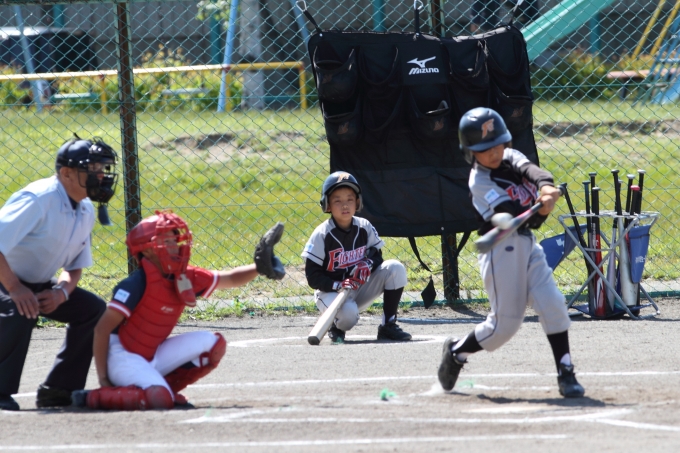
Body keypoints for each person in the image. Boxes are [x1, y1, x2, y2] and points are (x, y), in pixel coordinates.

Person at [437, 108, 585, 398]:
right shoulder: (479, 182)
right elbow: (512, 213)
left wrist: (545, 187)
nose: (494, 153)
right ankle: (456, 352)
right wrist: (542, 210)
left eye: (497, 144)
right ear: (470, 152)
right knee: (504, 327)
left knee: (553, 304)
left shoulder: (510, 156)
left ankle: (565, 371)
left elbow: (534, 172)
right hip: (500, 253)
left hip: (527, 244)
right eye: (484, 149)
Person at [75, 211, 285, 410]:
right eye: (166, 242)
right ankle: (94, 397)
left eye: (175, 240)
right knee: (158, 399)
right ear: (147, 250)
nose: (175, 246)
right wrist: (104, 378)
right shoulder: (136, 284)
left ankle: (162, 389)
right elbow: (102, 329)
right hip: (123, 357)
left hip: (152, 354)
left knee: (213, 344)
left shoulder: (184, 276)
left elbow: (229, 278)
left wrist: (259, 268)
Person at [0, 136, 118, 411]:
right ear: (66, 173)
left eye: (102, 169)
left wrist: (61, 293)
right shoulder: (38, 199)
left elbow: (75, 266)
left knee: (93, 309)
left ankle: (58, 389)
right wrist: (15, 288)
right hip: (5, 279)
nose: (101, 176)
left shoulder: (85, 208)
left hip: (33, 282)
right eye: (92, 169)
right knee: (22, 308)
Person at [301, 171, 411, 344]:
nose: (345, 205)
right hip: (330, 292)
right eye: (337, 200)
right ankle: (336, 325)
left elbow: (377, 255)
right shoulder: (322, 234)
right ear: (327, 204)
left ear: (357, 202)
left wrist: (368, 264)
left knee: (395, 268)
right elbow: (313, 277)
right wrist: (337, 285)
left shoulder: (364, 226)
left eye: (350, 199)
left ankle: (388, 325)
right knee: (348, 317)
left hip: (358, 288)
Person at [470, 0, 540, 33]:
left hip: (518, 22)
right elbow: (477, 2)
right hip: (493, 22)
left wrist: (535, 20)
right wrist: (475, 20)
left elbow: (533, 4)